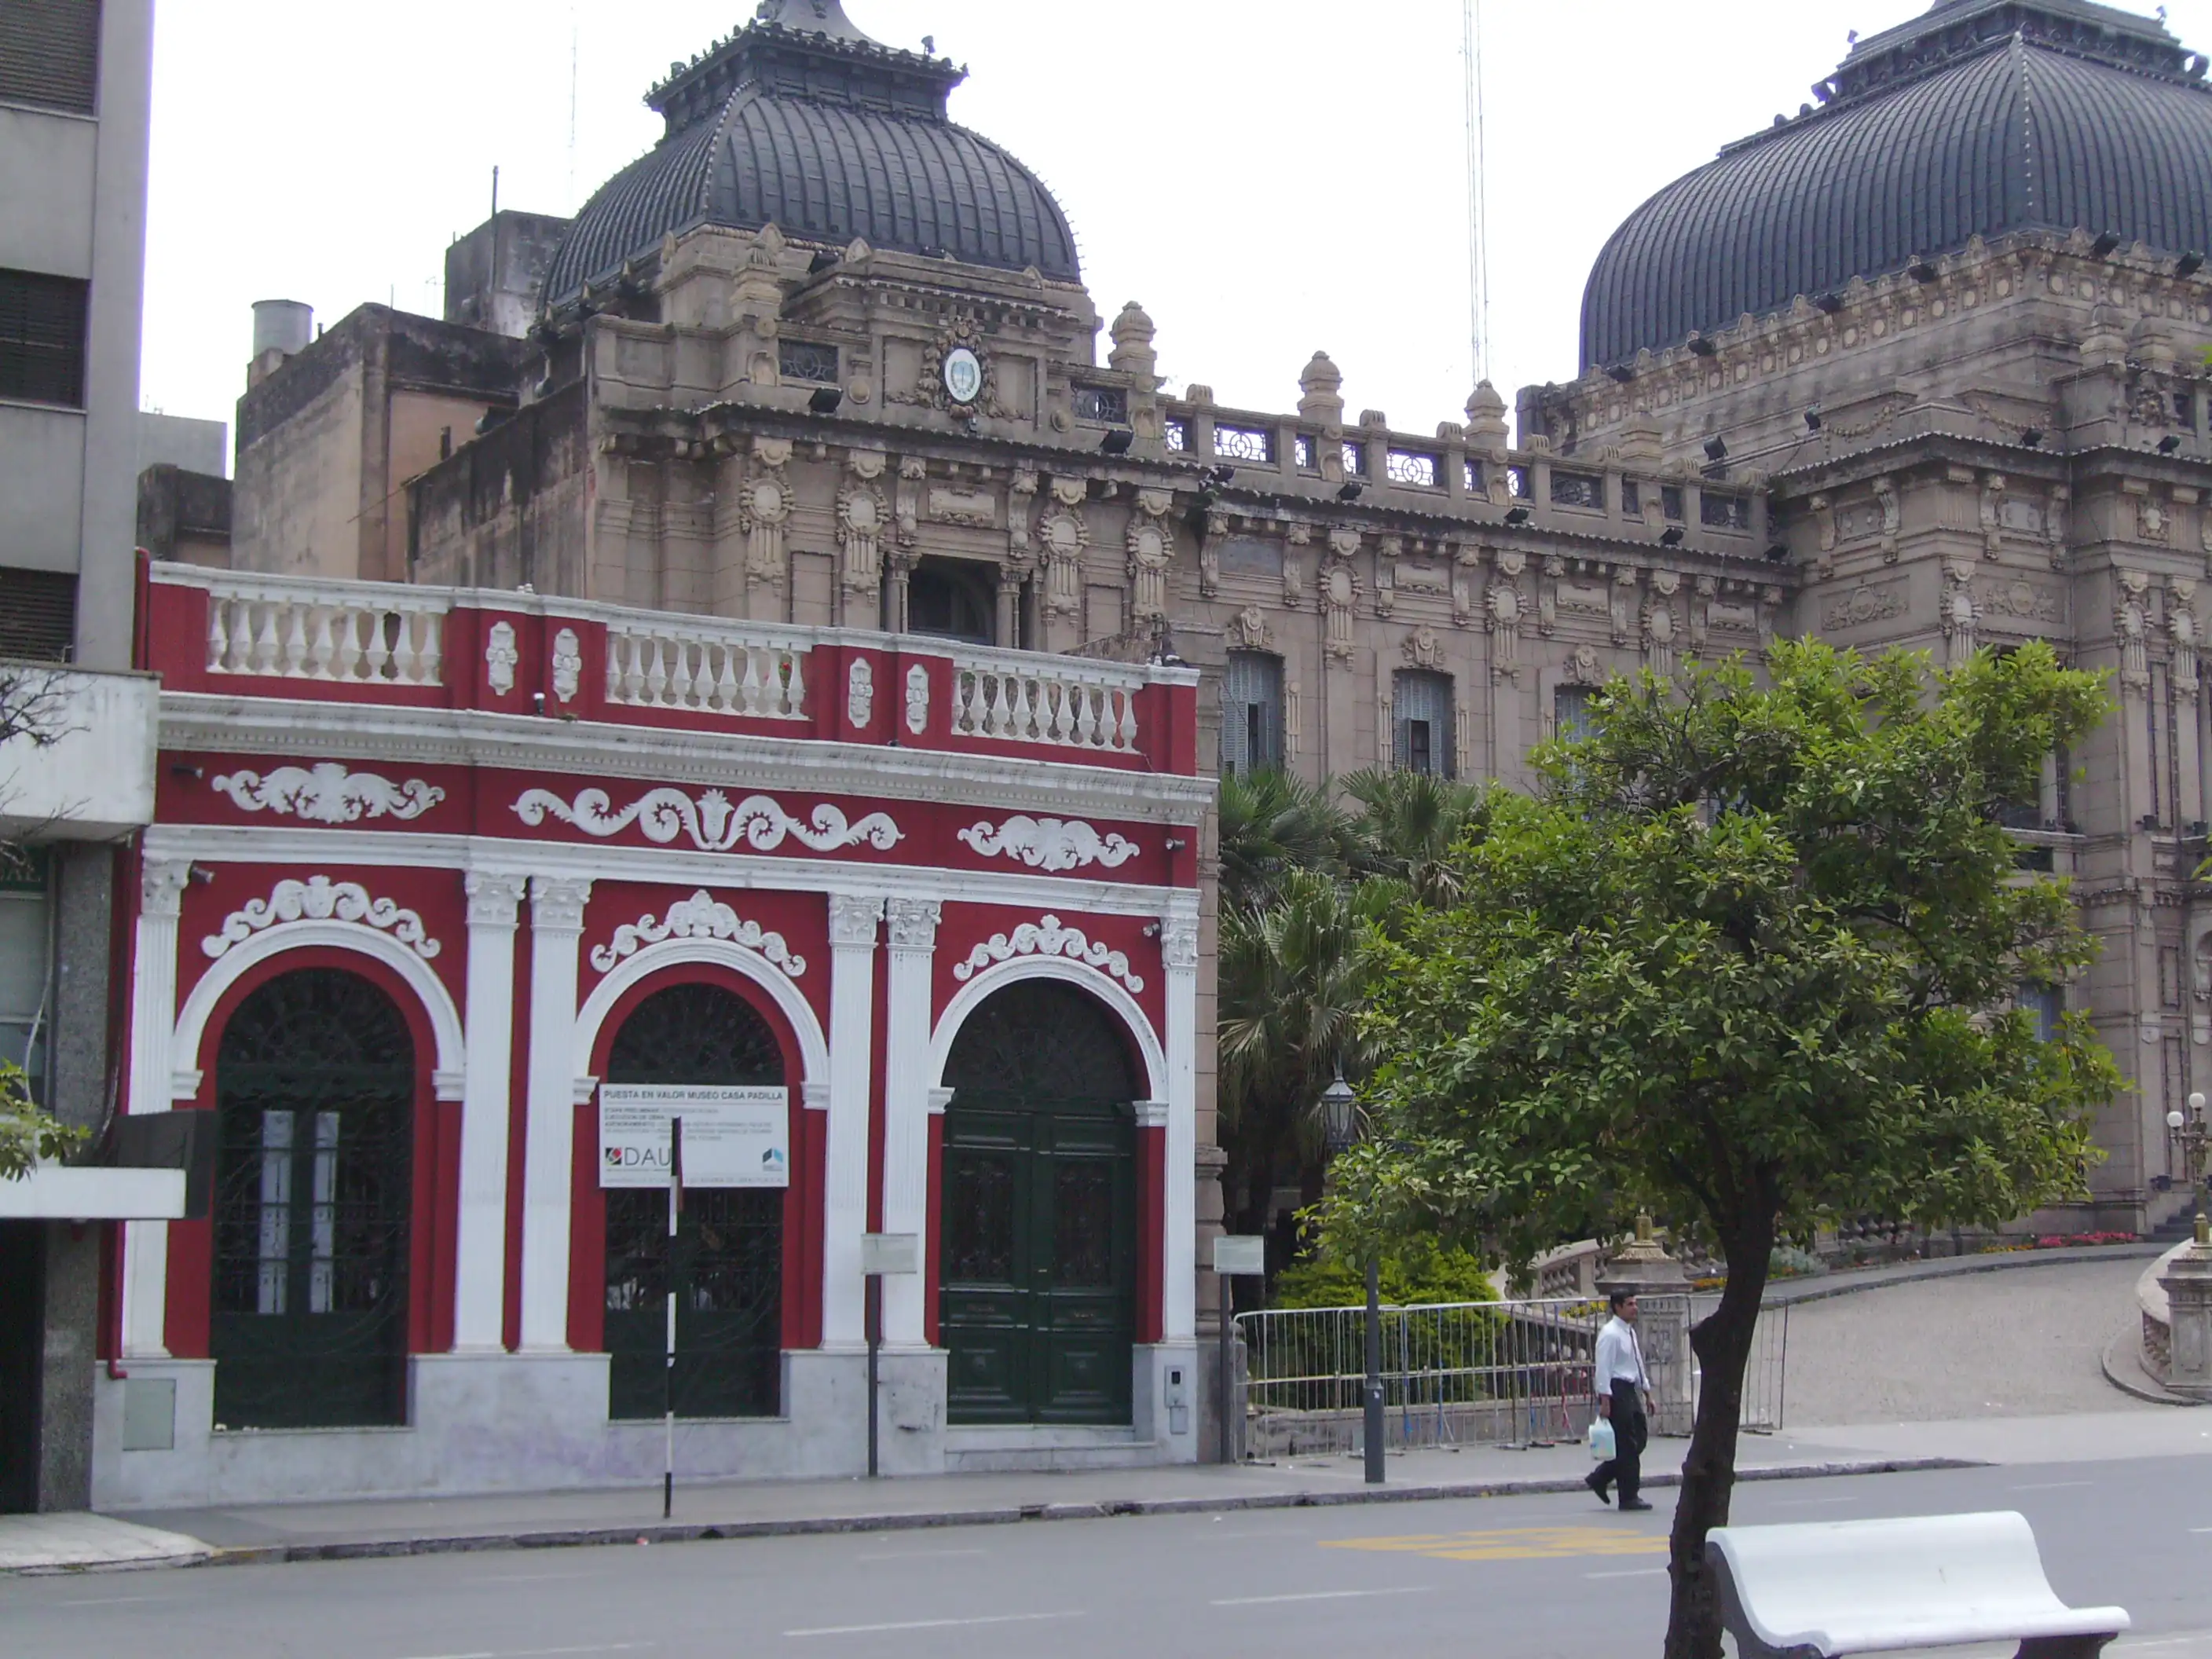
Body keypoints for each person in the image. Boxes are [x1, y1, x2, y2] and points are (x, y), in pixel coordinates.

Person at [1585, 1289, 1654, 1511]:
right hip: (1616, 1390)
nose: (1635, 1308)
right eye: (1630, 1304)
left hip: (1630, 1389)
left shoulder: (1629, 1332)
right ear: (1617, 1307)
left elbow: (1637, 1362)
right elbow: (1603, 1369)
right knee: (1627, 1444)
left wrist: (1647, 1392)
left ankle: (1601, 1477)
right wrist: (1605, 1399)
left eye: (1635, 1303)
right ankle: (1629, 1496)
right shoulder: (1610, 1334)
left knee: (1638, 1439)